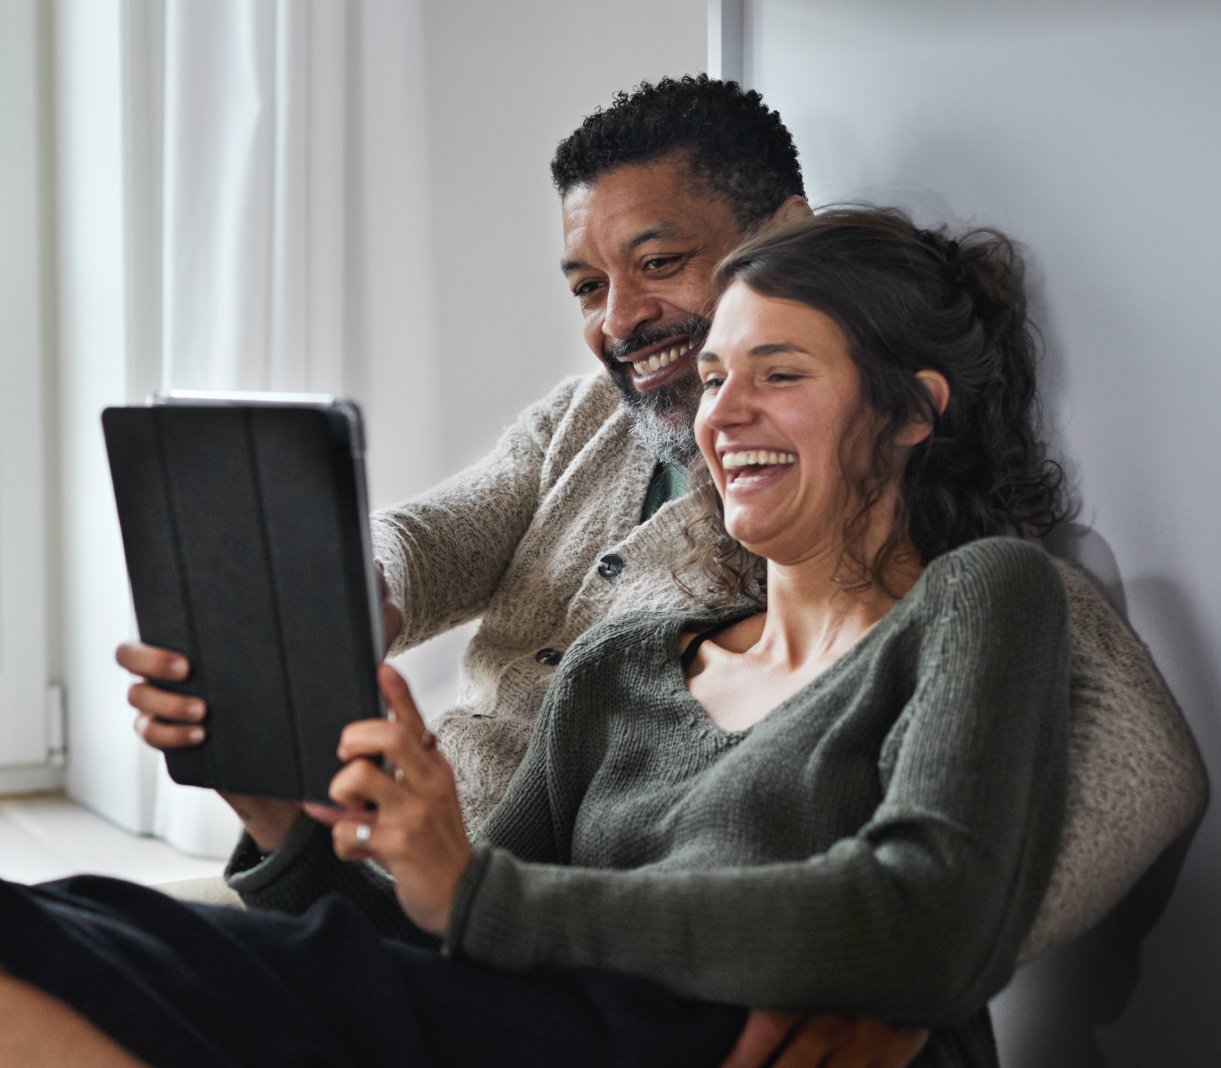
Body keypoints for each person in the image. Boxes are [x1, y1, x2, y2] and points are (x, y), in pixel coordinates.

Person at [115, 77, 1206, 1060]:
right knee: (92, 935)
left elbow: (1096, 796)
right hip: (466, 929)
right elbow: (442, 532)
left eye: (661, 261)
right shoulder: (620, 600)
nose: (622, 323)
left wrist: (893, 984)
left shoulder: (972, 595)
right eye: (588, 284)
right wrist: (292, 785)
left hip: (581, 970)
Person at [8, 205, 1073, 1066]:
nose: (722, 413)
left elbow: (926, 916)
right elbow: (439, 950)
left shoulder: (982, 596)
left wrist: (478, 895)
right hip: (551, 1029)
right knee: (80, 929)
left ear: (911, 411)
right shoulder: (621, 667)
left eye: (779, 374)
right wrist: (283, 824)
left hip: (708, 1039)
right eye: (714, 378)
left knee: (86, 956)